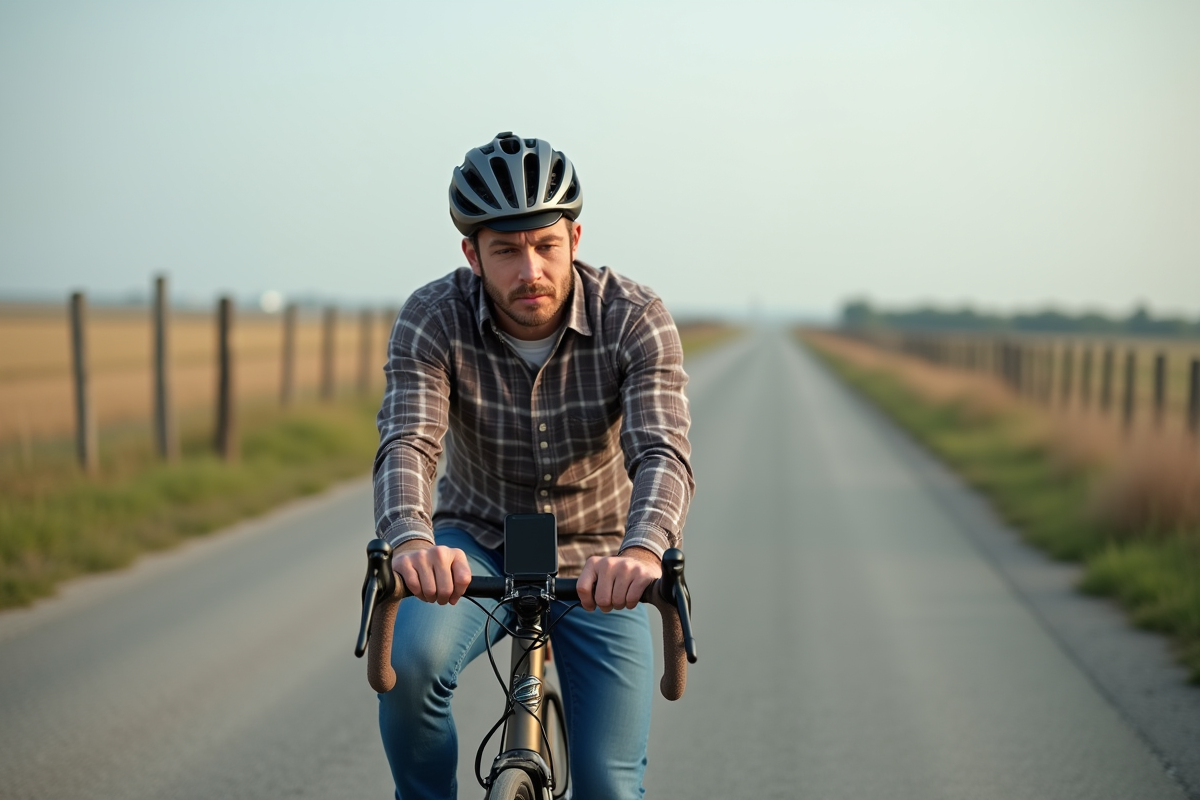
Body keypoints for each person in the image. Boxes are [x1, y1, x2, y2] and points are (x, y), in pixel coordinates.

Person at [373, 131, 693, 799]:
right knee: (412, 662)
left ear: (575, 239)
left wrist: (642, 552)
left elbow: (662, 449)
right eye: (506, 250)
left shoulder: (635, 317)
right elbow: (408, 441)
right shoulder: (433, 317)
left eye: (546, 245)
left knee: (609, 783)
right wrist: (410, 539)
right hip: (477, 542)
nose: (530, 271)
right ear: (472, 254)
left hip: (603, 559)